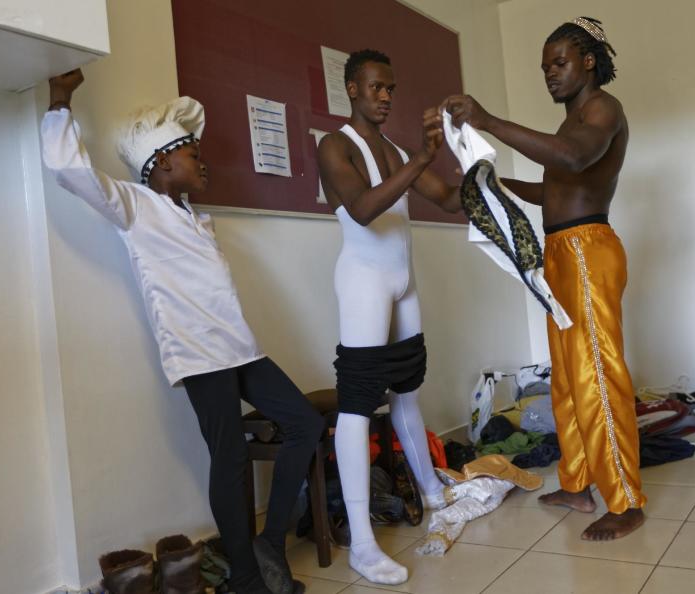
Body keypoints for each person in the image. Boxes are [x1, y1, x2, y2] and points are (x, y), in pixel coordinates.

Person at [41, 69, 322, 594]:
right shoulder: (135, 207)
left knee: (304, 423)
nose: (203, 161)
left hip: (241, 348)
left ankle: (269, 544)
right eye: (193, 153)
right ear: (163, 161)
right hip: (199, 354)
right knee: (231, 459)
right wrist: (60, 100)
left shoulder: (192, 214)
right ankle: (245, 578)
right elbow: (69, 169)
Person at [442, 16, 647, 541]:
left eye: (558, 63)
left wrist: (487, 120)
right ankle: (577, 483)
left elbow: (573, 158)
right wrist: (492, 184)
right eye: (544, 68)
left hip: (586, 250)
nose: (550, 75)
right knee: (567, 376)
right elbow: (554, 188)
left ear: (587, 59)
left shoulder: (602, 109)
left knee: (596, 376)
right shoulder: (570, 121)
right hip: (559, 251)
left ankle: (625, 501)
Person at [316, 49, 461, 584]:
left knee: (407, 391)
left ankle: (430, 491)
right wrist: (421, 159)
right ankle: (362, 543)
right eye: (376, 87)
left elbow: (446, 199)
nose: (385, 97)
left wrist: (479, 168)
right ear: (352, 88)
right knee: (357, 407)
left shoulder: (398, 150)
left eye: (390, 89)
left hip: (403, 282)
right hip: (363, 280)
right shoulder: (335, 145)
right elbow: (363, 207)